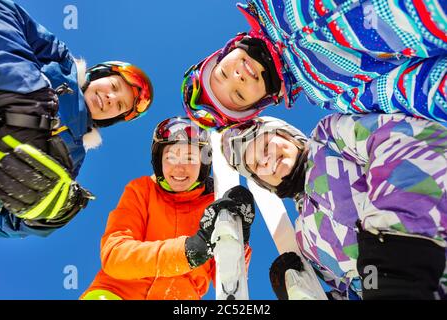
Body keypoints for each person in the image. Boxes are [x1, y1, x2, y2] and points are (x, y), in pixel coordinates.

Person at [221, 114, 447, 299]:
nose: (267, 160)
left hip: (433, 248)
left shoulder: (328, 139)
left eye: (265, 145)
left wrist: (394, 246)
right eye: (258, 165)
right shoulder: (305, 238)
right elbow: (355, 287)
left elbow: (400, 139)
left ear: (286, 134)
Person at [0, 0, 153, 237]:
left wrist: (44, 218)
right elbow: (5, 11)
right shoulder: (58, 61)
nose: (110, 98)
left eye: (120, 105)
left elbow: (7, 222)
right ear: (97, 74)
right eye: (113, 85)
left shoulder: (72, 158)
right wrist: (24, 94)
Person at [182, 0, 447, 130]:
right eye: (238, 95)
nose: (237, 77)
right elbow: (407, 89)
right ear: (260, 102)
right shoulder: (326, 91)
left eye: (224, 72)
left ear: (225, 52)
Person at [80, 117, 254, 300]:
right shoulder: (142, 190)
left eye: (190, 157)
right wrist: (186, 252)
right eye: (171, 157)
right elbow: (115, 256)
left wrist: (237, 237)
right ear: (159, 162)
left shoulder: (214, 206)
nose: (180, 168)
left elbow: (225, 282)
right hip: (116, 293)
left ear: (203, 164)